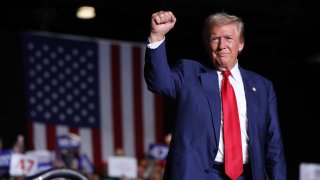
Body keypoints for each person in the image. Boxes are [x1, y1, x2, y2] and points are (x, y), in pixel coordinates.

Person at [144, 10, 287, 180]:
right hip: (197, 174)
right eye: (215, 39)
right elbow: (159, 83)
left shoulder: (263, 87)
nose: (222, 45)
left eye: (229, 38)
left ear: (240, 44)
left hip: (246, 175)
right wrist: (157, 35)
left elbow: (274, 144)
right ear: (207, 44)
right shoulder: (189, 73)